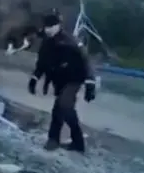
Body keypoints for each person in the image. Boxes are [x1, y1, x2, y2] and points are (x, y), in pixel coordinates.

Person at [28, 13, 97, 153]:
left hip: (74, 79)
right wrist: (34, 79)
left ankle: (75, 141)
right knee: (60, 109)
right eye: (46, 26)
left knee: (64, 105)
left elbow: (85, 61)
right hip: (59, 81)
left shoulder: (70, 41)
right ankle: (57, 140)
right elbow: (41, 64)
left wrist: (90, 83)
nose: (48, 30)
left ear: (58, 26)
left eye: (51, 26)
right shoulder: (47, 44)